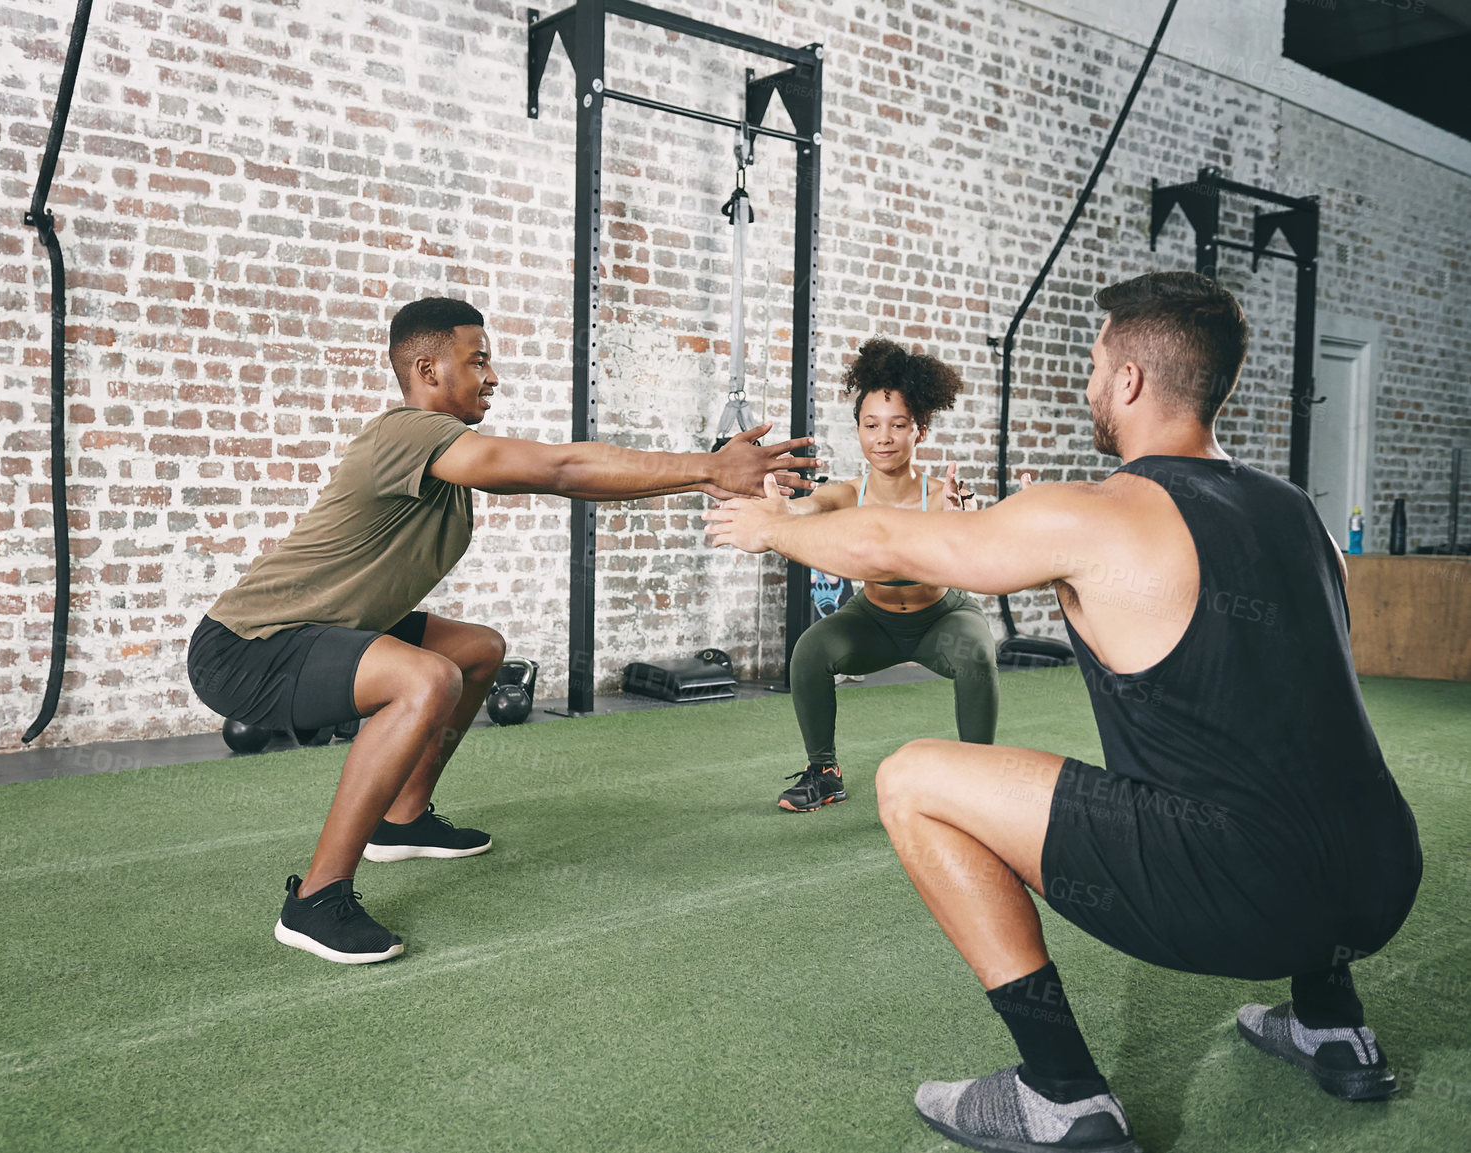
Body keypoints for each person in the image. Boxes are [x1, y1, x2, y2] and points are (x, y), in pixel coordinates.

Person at [705, 271, 1421, 1152]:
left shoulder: (1099, 511)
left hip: (1241, 896)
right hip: (1384, 877)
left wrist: (769, 527)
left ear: (1127, 382)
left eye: (1093, 366)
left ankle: (1062, 1092)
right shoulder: (1298, 514)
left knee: (915, 779)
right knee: (1280, 766)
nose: (1089, 385)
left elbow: (896, 540)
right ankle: (1330, 1020)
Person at [187, 297, 818, 965]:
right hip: (248, 644)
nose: (493, 377)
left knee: (477, 651)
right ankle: (315, 899)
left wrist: (702, 478)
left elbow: (573, 485)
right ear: (427, 369)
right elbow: (560, 467)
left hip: (323, 628)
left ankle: (403, 818)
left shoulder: (445, 456)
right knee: (427, 678)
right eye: (477, 360)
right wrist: (707, 464)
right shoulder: (405, 433)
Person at [776, 340, 999, 812]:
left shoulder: (941, 493)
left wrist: (965, 512)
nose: (884, 437)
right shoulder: (845, 494)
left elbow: (975, 525)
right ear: (858, 431)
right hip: (872, 622)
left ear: (918, 430)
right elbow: (803, 509)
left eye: (898, 425)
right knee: (810, 651)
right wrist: (776, 506)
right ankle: (824, 773)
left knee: (977, 654)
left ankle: (979, 778)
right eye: (871, 425)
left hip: (941, 619)